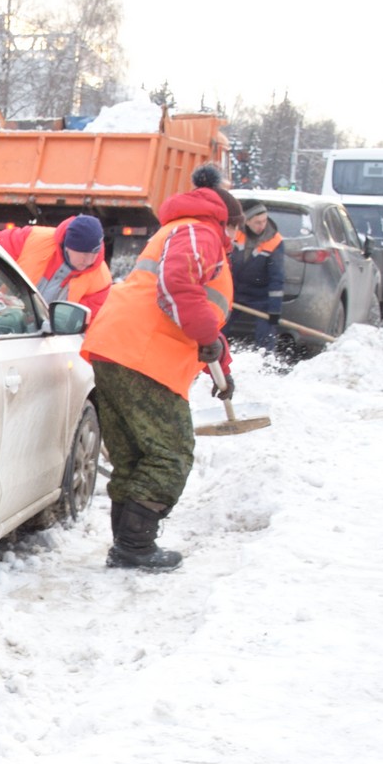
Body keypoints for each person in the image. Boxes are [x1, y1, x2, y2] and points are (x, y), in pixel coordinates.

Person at [80, 164, 241, 572]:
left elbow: (199, 311)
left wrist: (219, 361)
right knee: (171, 455)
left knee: (135, 455)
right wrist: (205, 339)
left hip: (117, 347)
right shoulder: (201, 231)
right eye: (238, 234)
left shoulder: (182, 228)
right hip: (143, 356)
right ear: (230, 223)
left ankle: (127, 546)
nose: (238, 243)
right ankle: (135, 546)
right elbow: (178, 287)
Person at [0, 214, 113, 315]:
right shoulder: (32, 240)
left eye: (94, 254)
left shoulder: (101, 279)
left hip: (51, 340)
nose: (89, 260)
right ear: (68, 247)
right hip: (0, 319)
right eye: (83, 254)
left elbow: (89, 324)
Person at [229, 201, 285, 351]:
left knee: (266, 335)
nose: (262, 226)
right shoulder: (234, 233)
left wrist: (274, 311)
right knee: (217, 327)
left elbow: (276, 278)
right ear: (246, 221)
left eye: (264, 221)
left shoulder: (274, 241)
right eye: (257, 222)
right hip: (233, 292)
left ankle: (265, 362)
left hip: (260, 296)